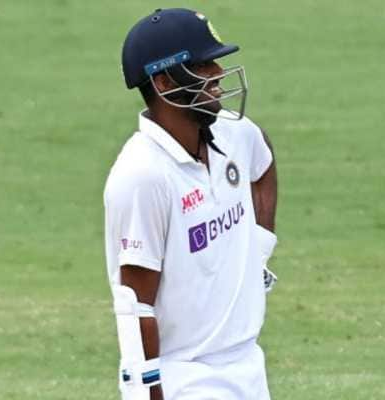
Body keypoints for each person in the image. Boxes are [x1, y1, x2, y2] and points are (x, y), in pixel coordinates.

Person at [104, 8, 278, 400]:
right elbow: (135, 305)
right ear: (164, 81)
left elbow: (262, 157)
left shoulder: (233, 132)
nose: (218, 73)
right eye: (202, 66)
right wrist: (146, 390)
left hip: (247, 363)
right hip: (185, 376)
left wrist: (260, 249)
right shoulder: (141, 176)